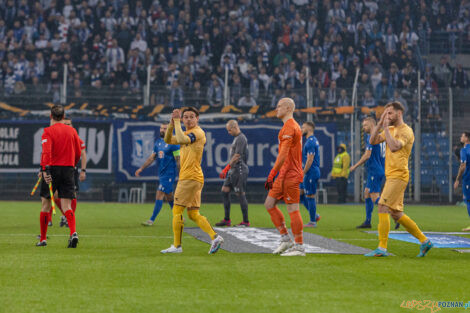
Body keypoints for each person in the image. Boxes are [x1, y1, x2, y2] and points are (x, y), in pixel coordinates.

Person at [366, 101, 433, 257]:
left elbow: (395, 146)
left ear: (399, 113)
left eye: (390, 113)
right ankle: (425, 241)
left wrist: (386, 129)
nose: (388, 116)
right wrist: (381, 121)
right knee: (396, 213)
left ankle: (382, 248)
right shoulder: (390, 128)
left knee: (382, 205)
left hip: (399, 174)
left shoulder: (406, 131)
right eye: (386, 113)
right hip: (391, 175)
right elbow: (372, 141)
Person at [161, 107, 224, 254]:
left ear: (197, 119)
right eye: (186, 117)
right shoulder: (188, 132)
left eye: (191, 117)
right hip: (194, 177)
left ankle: (177, 246)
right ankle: (215, 237)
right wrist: (172, 124)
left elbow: (181, 139)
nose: (188, 119)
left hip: (189, 177)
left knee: (177, 209)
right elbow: (168, 139)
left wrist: (177, 121)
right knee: (193, 213)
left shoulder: (198, 132)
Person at [264, 98, 305, 256]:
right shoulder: (288, 126)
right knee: (269, 204)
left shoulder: (290, 126)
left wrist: (272, 173)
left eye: (279, 106)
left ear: (288, 108)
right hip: (284, 174)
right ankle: (285, 238)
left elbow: (283, 154)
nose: (276, 108)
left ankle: (299, 246)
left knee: (293, 209)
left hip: (291, 174)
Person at [37, 105, 82, 248]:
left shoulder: (47, 132)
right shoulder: (72, 131)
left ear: (51, 116)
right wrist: (72, 165)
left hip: (52, 169)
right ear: (64, 116)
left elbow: (46, 152)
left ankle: (43, 239)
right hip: (68, 169)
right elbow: (78, 152)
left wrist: (44, 170)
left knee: (45, 205)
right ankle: (73, 233)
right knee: (67, 205)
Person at [135, 123, 180, 226]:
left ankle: (151, 220)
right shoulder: (158, 142)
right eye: (161, 128)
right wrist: (141, 168)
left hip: (169, 174)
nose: (162, 130)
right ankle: (178, 215)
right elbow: (152, 158)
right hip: (162, 174)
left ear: (170, 130)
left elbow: (178, 160)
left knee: (159, 193)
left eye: (165, 128)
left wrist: (181, 174)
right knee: (169, 196)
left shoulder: (174, 143)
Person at [350, 117, 385, 229]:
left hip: (375, 170)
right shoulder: (381, 136)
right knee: (366, 193)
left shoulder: (372, 137)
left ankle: (394, 213)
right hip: (376, 169)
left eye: (365, 125)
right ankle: (368, 221)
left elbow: (367, 155)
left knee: (375, 198)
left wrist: (355, 166)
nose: (363, 127)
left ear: (371, 124)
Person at [216, 120, 250, 227]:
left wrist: (226, 169)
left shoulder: (241, 138)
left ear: (235, 127)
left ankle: (245, 221)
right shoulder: (236, 138)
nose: (228, 132)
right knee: (224, 191)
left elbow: (237, 156)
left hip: (239, 169)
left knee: (240, 194)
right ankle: (227, 219)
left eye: (229, 130)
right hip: (233, 170)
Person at [55, 118, 87, 228]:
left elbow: (82, 155)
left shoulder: (77, 139)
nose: (67, 126)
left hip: (70, 170)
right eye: (65, 124)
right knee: (54, 195)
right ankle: (65, 215)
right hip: (58, 169)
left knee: (72, 195)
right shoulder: (57, 137)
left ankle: (68, 218)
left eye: (69, 124)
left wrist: (82, 170)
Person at [299, 121, 321, 228]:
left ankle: (313, 221)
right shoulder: (310, 141)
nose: (301, 129)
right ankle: (315, 215)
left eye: (303, 127)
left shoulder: (310, 142)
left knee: (310, 196)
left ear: (310, 129)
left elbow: (310, 159)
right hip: (310, 171)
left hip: (311, 172)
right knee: (301, 195)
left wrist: (303, 172)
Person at [454, 132, 470, 231]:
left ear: (467, 138)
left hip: (468, 178)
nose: (461, 137)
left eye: (462, 136)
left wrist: (457, 179)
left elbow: (463, 165)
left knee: (468, 200)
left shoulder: (464, 150)